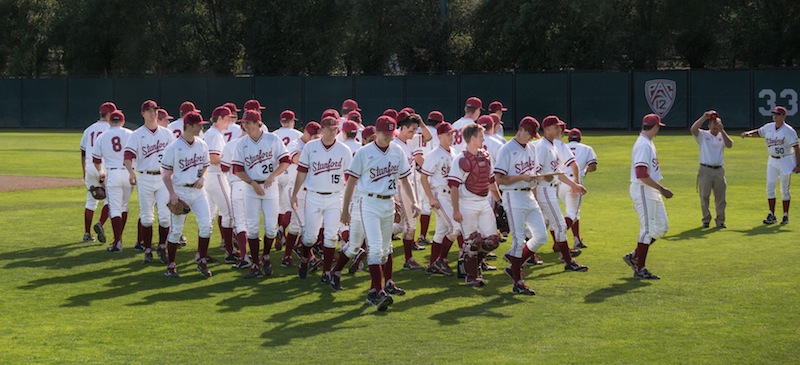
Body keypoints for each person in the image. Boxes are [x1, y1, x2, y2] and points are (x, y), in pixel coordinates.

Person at [339, 115, 418, 311]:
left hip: (388, 203)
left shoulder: (397, 150)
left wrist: (413, 201)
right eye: (386, 133)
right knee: (374, 248)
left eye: (392, 133)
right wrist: (345, 209)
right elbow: (351, 183)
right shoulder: (364, 153)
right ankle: (377, 292)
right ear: (377, 132)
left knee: (385, 251)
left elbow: (405, 179)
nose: (390, 137)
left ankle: (375, 291)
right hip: (369, 202)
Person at [291, 116, 352, 286]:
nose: (333, 132)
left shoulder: (344, 149)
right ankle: (304, 260)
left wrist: (348, 203)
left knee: (331, 236)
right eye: (330, 128)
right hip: (314, 196)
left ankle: (326, 272)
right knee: (310, 237)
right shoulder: (311, 147)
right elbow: (302, 171)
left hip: (334, 196)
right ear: (322, 129)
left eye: (335, 129)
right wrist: (295, 193)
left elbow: (349, 178)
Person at [232, 110, 291, 278]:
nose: (245, 125)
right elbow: (237, 169)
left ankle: (266, 255)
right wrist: (251, 183)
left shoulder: (272, 139)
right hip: (251, 188)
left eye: (248, 122)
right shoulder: (242, 143)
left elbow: (285, 161)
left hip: (270, 186)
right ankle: (256, 264)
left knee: (271, 228)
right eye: (244, 123)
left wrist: (273, 175)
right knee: (252, 227)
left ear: (258, 123)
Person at [494, 117, 548, 295]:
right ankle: (518, 283)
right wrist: (522, 178)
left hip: (528, 195)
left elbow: (534, 172)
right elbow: (499, 178)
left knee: (540, 236)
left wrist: (541, 176)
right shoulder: (507, 149)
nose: (532, 138)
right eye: (530, 134)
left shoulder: (531, 148)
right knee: (518, 239)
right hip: (513, 195)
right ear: (522, 130)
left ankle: (514, 266)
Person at [448, 124, 502, 287]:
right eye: (480, 136)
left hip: (484, 202)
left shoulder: (485, 156)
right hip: (467, 204)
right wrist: (456, 210)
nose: (483, 139)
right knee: (473, 241)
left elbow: (491, 181)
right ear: (472, 138)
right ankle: (471, 276)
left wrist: (500, 201)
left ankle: (469, 264)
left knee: (493, 240)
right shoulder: (460, 160)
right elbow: (454, 186)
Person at [160, 111, 213, 278]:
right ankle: (171, 265)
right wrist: (172, 194)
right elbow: (166, 174)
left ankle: (202, 261)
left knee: (206, 226)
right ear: (189, 125)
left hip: (198, 191)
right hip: (180, 190)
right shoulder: (174, 148)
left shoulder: (202, 144)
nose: (201, 127)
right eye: (198, 124)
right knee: (176, 231)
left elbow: (206, 165)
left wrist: (203, 177)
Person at [534, 116, 588, 271]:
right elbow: (535, 174)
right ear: (548, 129)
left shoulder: (552, 146)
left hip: (552, 188)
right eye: (556, 127)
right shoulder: (543, 147)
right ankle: (568, 262)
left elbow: (558, 173)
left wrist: (575, 185)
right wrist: (536, 195)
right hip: (544, 189)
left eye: (560, 127)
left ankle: (516, 259)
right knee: (557, 225)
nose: (560, 129)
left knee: (545, 226)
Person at [124, 100, 175, 263]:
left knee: (165, 216)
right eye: (149, 110)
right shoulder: (136, 134)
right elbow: (128, 156)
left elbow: (175, 155)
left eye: (155, 110)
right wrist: (131, 172)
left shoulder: (167, 134)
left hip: (163, 179)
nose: (153, 113)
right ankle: (147, 250)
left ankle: (162, 246)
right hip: (145, 177)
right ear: (143, 114)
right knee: (146, 218)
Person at [623, 113, 673, 280]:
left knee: (661, 227)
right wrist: (662, 189)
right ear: (656, 127)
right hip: (643, 189)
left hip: (650, 189)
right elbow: (641, 173)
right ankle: (640, 268)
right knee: (647, 229)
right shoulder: (643, 145)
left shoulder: (647, 142)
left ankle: (634, 256)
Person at [741, 106, 800, 225]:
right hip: (772, 160)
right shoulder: (769, 127)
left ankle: (785, 215)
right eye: (774, 114)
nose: (775, 116)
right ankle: (771, 214)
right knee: (770, 187)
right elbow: (759, 132)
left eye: (777, 114)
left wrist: (798, 164)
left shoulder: (789, 131)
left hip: (786, 159)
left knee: (784, 189)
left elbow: (796, 147)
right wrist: (748, 133)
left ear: (784, 116)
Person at [419, 122, 458, 275]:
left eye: (452, 134)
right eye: (448, 134)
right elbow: (423, 178)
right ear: (439, 136)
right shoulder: (433, 155)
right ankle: (441, 260)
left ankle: (432, 264)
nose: (451, 136)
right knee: (456, 228)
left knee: (441, 231)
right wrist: (430, 198)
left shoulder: (454, 152)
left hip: (451, 195)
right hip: (439, 194)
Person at [92, 110, 134, 252]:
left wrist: (100, 172)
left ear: (110, 122)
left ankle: (117, 243)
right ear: (123, 121)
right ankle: (118, 239)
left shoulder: (103, 136)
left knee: (114, 208)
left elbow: (96, 159)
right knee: (124, 207)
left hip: (113, 173)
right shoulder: (130, 134)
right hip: (129, 173)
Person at [282, 122, 322, 270]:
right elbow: (297, 159)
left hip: (308, 190)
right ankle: (309, 257)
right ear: (305, 132)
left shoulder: (314, 145)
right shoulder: (295, 144)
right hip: (294, 190)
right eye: (312, 136)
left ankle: (286, 257)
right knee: (305, 226)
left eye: (317, 136)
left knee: (294, 226)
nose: (314, 139)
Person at [203, 106, 239, 263]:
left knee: (208, 217)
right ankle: (229, 252)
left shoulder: (212, 133)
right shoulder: (214, 135)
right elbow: (213, 157)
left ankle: (202, 253)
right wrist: (231, 161)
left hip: (209, 177)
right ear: (219, 119)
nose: (230, 121)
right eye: (227, 118)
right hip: (215, 175)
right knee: (229, 214)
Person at [392, 112, 427, 269]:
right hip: (400, 188)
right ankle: (408, 260)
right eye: (411, 130)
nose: (414, 134)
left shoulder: (406, 144)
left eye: (415, 130)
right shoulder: (395, 145)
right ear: (403, 128)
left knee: (404, 225)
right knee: (409, 225)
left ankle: (408, 259)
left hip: (409, 186)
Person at [690, 110, 733, 228]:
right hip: (705, 169)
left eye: (717, 123)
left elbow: (729, 144)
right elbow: (693, 129)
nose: (715, 126)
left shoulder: (721, 136)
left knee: (720, 197)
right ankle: (706, 219)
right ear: (709, 126)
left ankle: (720, 220)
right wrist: (704, 117)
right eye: (713, 123)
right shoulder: (704, 135)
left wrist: (722, 131)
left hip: (719, 170)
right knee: (704, 196)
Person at [80, 102, 114, 243]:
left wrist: (84, 171)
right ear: (110, 115)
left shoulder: (89, 129)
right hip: (103, 166)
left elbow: (82, 152)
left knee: (90, 201)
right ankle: (100, 223)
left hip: (89, 166)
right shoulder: (111, 129)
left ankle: (87, 233)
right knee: (110, 200)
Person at [562, 127, 597, 248]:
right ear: (580, 139)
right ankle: (559, 238)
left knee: (574, 212)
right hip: (574, 183)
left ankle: (577, 239)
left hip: (559, 182)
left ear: (568, 138)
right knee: (572, 213)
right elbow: (593, 166)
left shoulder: (562, 147)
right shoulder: (587, 148)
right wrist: (585, 170)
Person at [274, 110, 303, 253]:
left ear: (281, 122)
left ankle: (281, 233)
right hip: (291, 173)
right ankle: (282, 229)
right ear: (292, 121)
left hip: (276, 172)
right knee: (290, 208)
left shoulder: (274, 135)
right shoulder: (298, 135)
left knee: (280, 207)